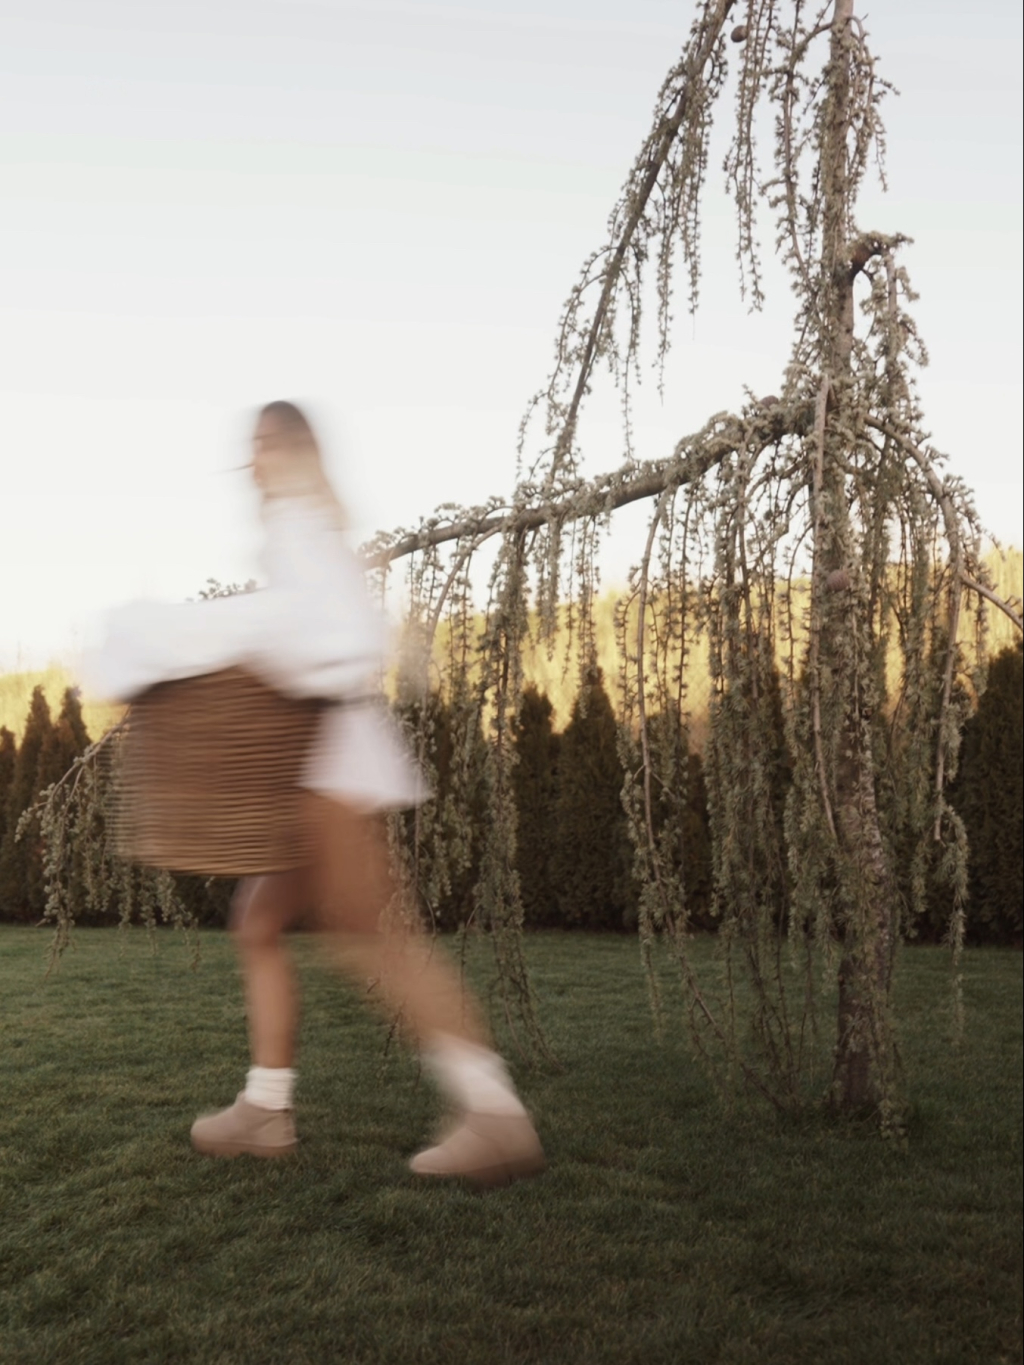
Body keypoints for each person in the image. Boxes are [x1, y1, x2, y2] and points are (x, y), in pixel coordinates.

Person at [86, 400, 544, 1186]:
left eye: (264, 442)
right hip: (317, 763)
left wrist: (206, 638)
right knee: (258, 919)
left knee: (375, 940)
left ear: (295, 448)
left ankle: (495, 1115)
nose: (252, 459)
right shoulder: (299, 528)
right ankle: (266, 1107)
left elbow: (336, 638)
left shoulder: (305, 524)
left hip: (330, 765)